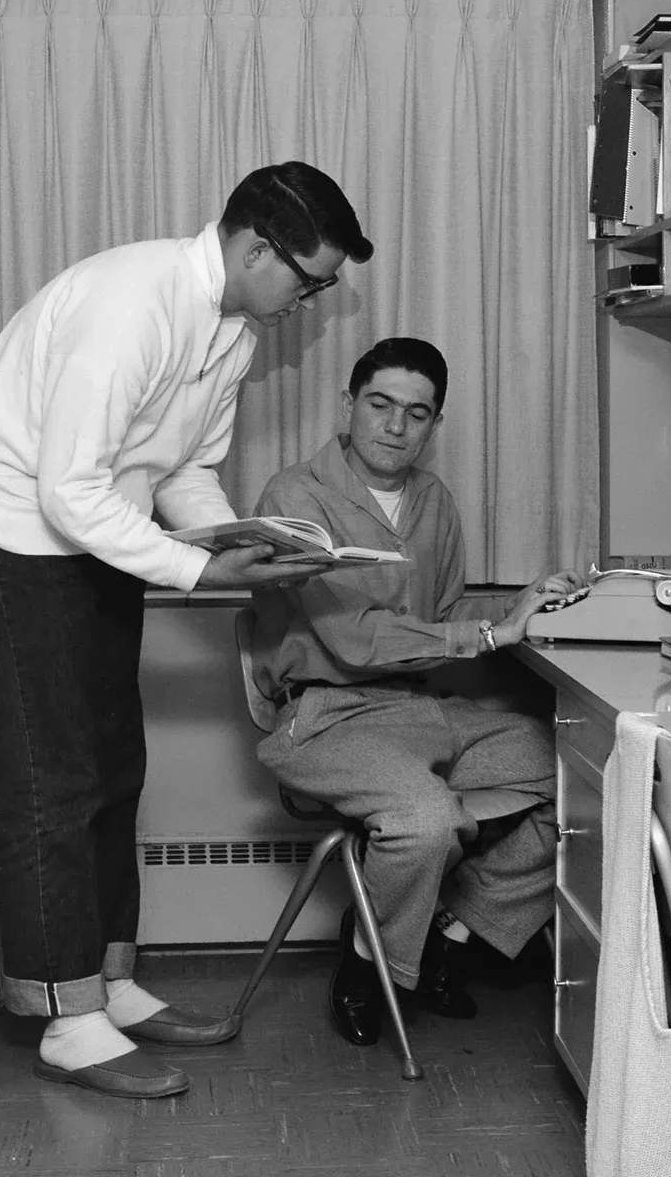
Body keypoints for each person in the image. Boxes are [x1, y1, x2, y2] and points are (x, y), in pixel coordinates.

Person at [0, 162, 372, 1099]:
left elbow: (183, 472)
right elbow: (66, 489)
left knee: (115, 763)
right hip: (10, 527)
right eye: (311, 280)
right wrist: (196, 568)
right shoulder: (129, 306)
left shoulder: (236, 334)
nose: (312, 300)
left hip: (98, 528)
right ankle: (65, 1018)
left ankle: (110, 982)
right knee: (52, 776)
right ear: (256, 247)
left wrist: (237, 541)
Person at [247, 337, 586, 1046]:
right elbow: (353, 638)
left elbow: (440, 619)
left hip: (417, 708)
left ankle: (451, 935)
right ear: (349, 405)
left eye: (417, 413)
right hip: (322, 716)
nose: (396, 426)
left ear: (434, 424)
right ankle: (369, 960)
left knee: (582, 774)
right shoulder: (292, 496)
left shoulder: (434, 500)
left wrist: (515, 606)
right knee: (426, 819)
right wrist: (491, 637)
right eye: (380, 404)